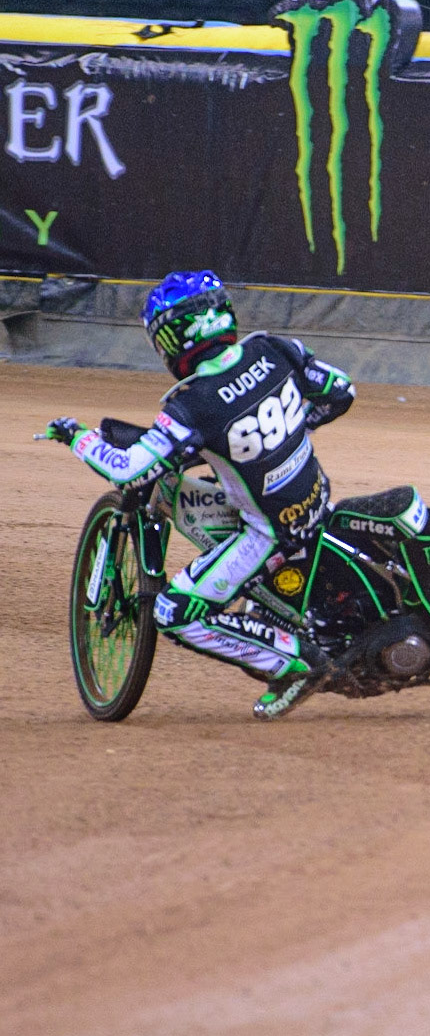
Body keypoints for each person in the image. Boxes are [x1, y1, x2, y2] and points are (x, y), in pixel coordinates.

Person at [43, 271, 356, 719]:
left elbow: (132, 473)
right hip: (316, 501)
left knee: (173, 611)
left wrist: (78, 439)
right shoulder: (274, 348)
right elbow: (341, 392)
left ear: (172, 340)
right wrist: (287, 436)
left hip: (269, 534)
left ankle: (295, 662)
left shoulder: (192, 404)